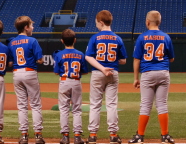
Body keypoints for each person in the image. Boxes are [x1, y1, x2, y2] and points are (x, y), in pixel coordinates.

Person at [129, 11, 175, 144]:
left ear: (147, 22)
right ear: (159, 22)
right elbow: (171, 58)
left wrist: (136, 78)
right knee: (162, 105)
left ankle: (140, 136)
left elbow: (137, 59)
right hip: (163, 72)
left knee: (145, 105)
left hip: (148, 73)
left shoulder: (142, 37)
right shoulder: (166, 37)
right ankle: (165, 135)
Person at [85, 10, 127, 144]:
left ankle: (92, 135)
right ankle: (113, 135)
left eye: (97, 22)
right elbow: (123, 60)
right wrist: (112, 62)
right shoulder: (118, 38)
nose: (96, 24)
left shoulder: (95, 38)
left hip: (98, 73)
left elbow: (88, 56)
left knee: (95, 105)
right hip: (113, 72)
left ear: (101, 22)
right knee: (112, 105)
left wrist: (102, 68)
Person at [7, 16, 45, 144]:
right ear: (26, 27)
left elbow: (10, 63)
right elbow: (40, 60)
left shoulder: (11, 42)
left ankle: (24, 135)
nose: (33, 27)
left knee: (22, 106)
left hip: (17, 73)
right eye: (31, 25)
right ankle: (38, 135)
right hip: (29, 72)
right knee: (35, 105)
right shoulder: (32, 40)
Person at [53, 29, 88, 144]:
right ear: (75, 40)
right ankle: (77, 136)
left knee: (64, 109)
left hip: (64, 81)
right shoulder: (80, 54)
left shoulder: (59, 54)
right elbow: (85, 71)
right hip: (76, 82)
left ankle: (65, 136)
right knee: (77, 109)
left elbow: (56, 72)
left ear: (62, 41)